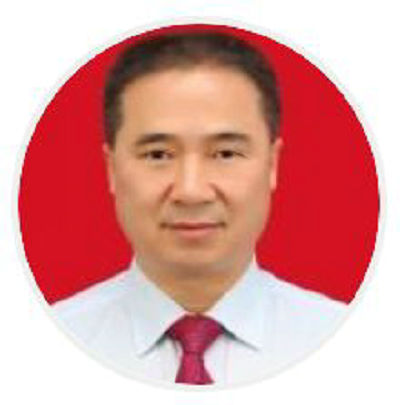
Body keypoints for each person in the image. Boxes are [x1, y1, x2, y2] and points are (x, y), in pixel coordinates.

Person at [52, 30, 347, 386]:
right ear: (112, 169)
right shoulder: (42, 344)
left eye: (225, 153)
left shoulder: (350, 342)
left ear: (272, 164)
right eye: (158, 155)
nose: (191, 192)